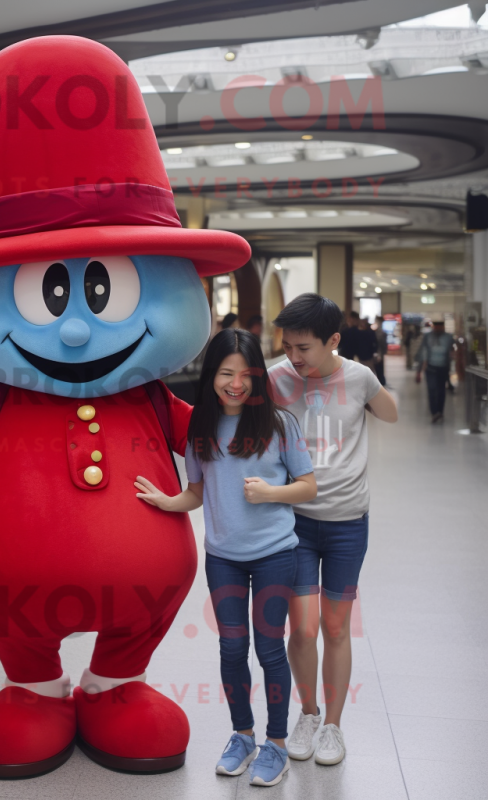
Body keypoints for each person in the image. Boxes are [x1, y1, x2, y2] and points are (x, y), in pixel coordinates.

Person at [135, 328, 316, 787]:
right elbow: (197, 492)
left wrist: (270, 492)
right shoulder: (201, 426)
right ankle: (243, 735)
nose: (235, 384)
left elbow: (308, 486)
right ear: (210, 375)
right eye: (225, 374)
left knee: (269, 648)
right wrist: (165, 501)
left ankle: (276, 744)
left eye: (245, 375)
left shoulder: (279, 424)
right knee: (232, 648)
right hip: (223, 558)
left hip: (276, 554)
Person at [269, 293, 397, 767]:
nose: (294, 357)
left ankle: (334, 728)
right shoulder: (276, 377)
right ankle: (308, 713)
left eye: (304, 348)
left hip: (347, 522)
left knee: (336, 626)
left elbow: (391, 413)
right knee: (301, 628)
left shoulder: (358, 376)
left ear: (333, 341)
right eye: (287, 346)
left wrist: (374, 392)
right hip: (294, 521)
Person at [415, 319, 455, 423]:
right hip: (430, 368)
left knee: (441, 391)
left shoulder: (448, 337)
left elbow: (452, 351)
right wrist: (418, 371)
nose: (438, 329)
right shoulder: (427, 337)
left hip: (443, 368)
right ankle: (434, 413)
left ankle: (440, 412)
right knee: (432, 390)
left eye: (440, 327)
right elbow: (423, 352)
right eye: (436, 327)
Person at [373, 316, 388, 386]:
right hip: (377, 353)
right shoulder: (377, 332)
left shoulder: (381, 333)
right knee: (377, 368)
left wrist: (381, 354)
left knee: (379, 369)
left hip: (379, 353)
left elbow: (383, 345)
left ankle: (381, 383)